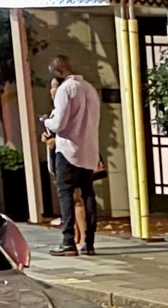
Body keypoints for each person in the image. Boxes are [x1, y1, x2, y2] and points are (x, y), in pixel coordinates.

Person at [42, 53, 102, 256]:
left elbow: (59, 124)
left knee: (65, 193)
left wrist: (45, 122)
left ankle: (68, 241)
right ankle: (89, 241)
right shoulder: (90, 89)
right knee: (88, 194)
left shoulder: (65, 90)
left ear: (59, 71)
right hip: (89, 150)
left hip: (68, 149)